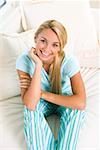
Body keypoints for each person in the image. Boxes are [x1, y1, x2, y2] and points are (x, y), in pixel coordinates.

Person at [16, 19, 86, 150]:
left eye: (55, 45)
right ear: (35, 38)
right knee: (30, 110)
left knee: (76, 110)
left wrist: (42, 94)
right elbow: (30, 103)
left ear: (61, 47)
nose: (47, 49)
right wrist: (38, 65)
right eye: (43, 41)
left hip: (62, 98)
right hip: (39, 102)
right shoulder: (24, 60)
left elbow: (81, 102)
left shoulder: (69, 61)